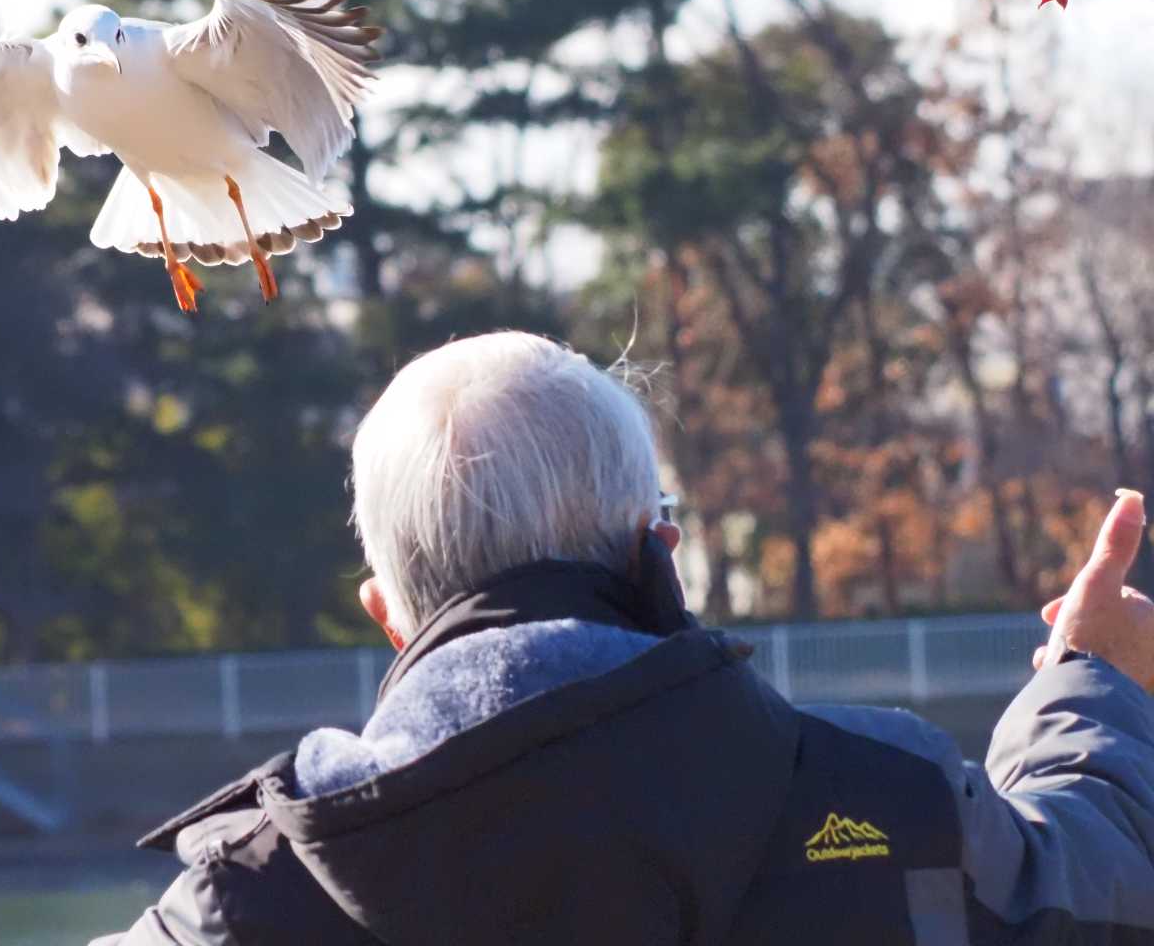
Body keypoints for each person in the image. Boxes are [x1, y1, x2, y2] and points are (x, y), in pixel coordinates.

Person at [91, 331, 1154, 944]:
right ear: (662, 550)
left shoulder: (237, 904)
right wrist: (1091, 678)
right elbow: (1089, 884)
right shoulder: (887, 803)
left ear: (386, 612)